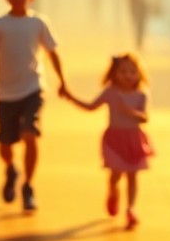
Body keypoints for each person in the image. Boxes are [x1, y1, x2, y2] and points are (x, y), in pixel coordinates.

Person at [0, 0, 68, 213]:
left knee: (31, 134)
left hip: (33, 89)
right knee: (5, 144)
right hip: (6, 93)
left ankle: (28, 185)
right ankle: (11, 169)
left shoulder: (38, 23)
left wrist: (62, 81)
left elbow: (52, 53)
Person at [62, 52, 154, 230]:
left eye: (132, 72)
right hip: (114, 139)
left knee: (133, 176)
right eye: (123, 72)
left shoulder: (142, 95)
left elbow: (145, 118)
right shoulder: (111, 92)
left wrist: (130, 112)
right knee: (116, 174)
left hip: (134, 139)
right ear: (113, 74)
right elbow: (91, 107)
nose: (128, 75)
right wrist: (70, 97)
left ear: (139, 74)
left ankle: (131, 209)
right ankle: (113, 192)